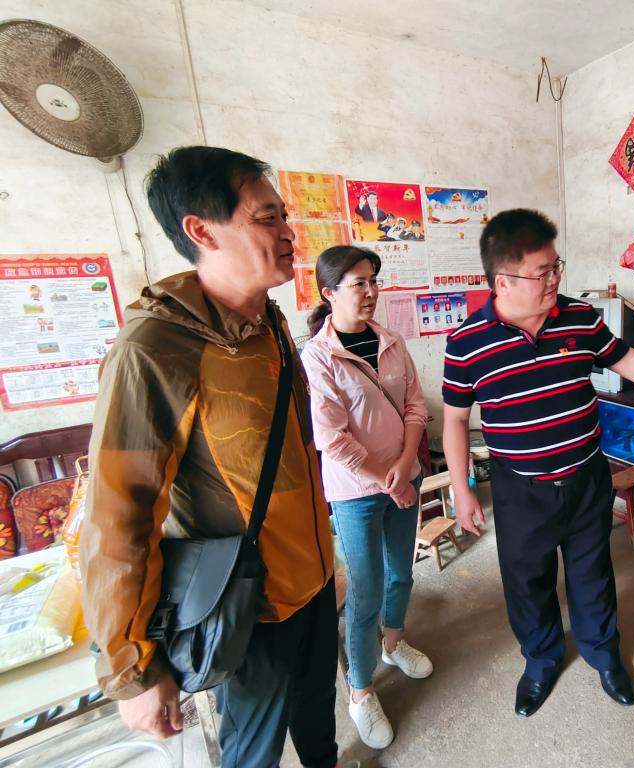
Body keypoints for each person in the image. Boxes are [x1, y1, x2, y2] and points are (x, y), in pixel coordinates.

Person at [79, 146, 338, 768]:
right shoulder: (153, 350)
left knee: (317, 717)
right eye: (268, 218)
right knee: (253, 750)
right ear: (201, 230)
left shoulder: (270, 323)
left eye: (283, 217)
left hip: (316, 579)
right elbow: (119, 516)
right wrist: (132, 670)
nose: (289, 233)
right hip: (249, 606)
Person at [441, 208, 634, 718]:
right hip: (521, 488)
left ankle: (603, 654)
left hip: (587, 475)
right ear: (502, 280)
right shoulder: (466, 343)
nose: (554, 279)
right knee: (528, 581)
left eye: (556, 267)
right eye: (542, 272)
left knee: (592, 572)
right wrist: (461, 487)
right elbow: (456, 420)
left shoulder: (579, 317)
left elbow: (626, 359)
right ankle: (541, 660)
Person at [301, 245, 432, 750]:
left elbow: (415, 407)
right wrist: (387, 478)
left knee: (401, 571)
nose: (371, 291)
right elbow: (332, 439)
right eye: (359, 283)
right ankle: (360, 690)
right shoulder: (319, 356)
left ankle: (393, 643)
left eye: (374, 280)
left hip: (403, 477)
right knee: (365, 589)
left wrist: (405, 466)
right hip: (357, 492)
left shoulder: (392, 342)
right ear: (329, 293)